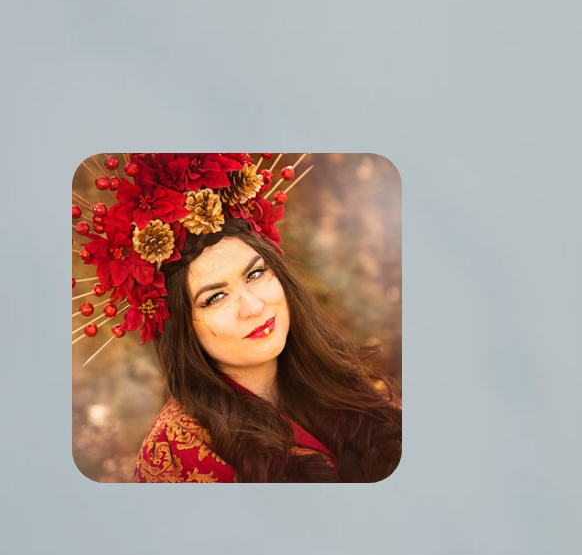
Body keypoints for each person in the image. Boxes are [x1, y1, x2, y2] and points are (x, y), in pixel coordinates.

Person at [70, 153, 400, 482]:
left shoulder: (341, 384)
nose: (253, 307)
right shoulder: (175, 453)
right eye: (215, 298)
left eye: (255, 274)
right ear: (182, 328)